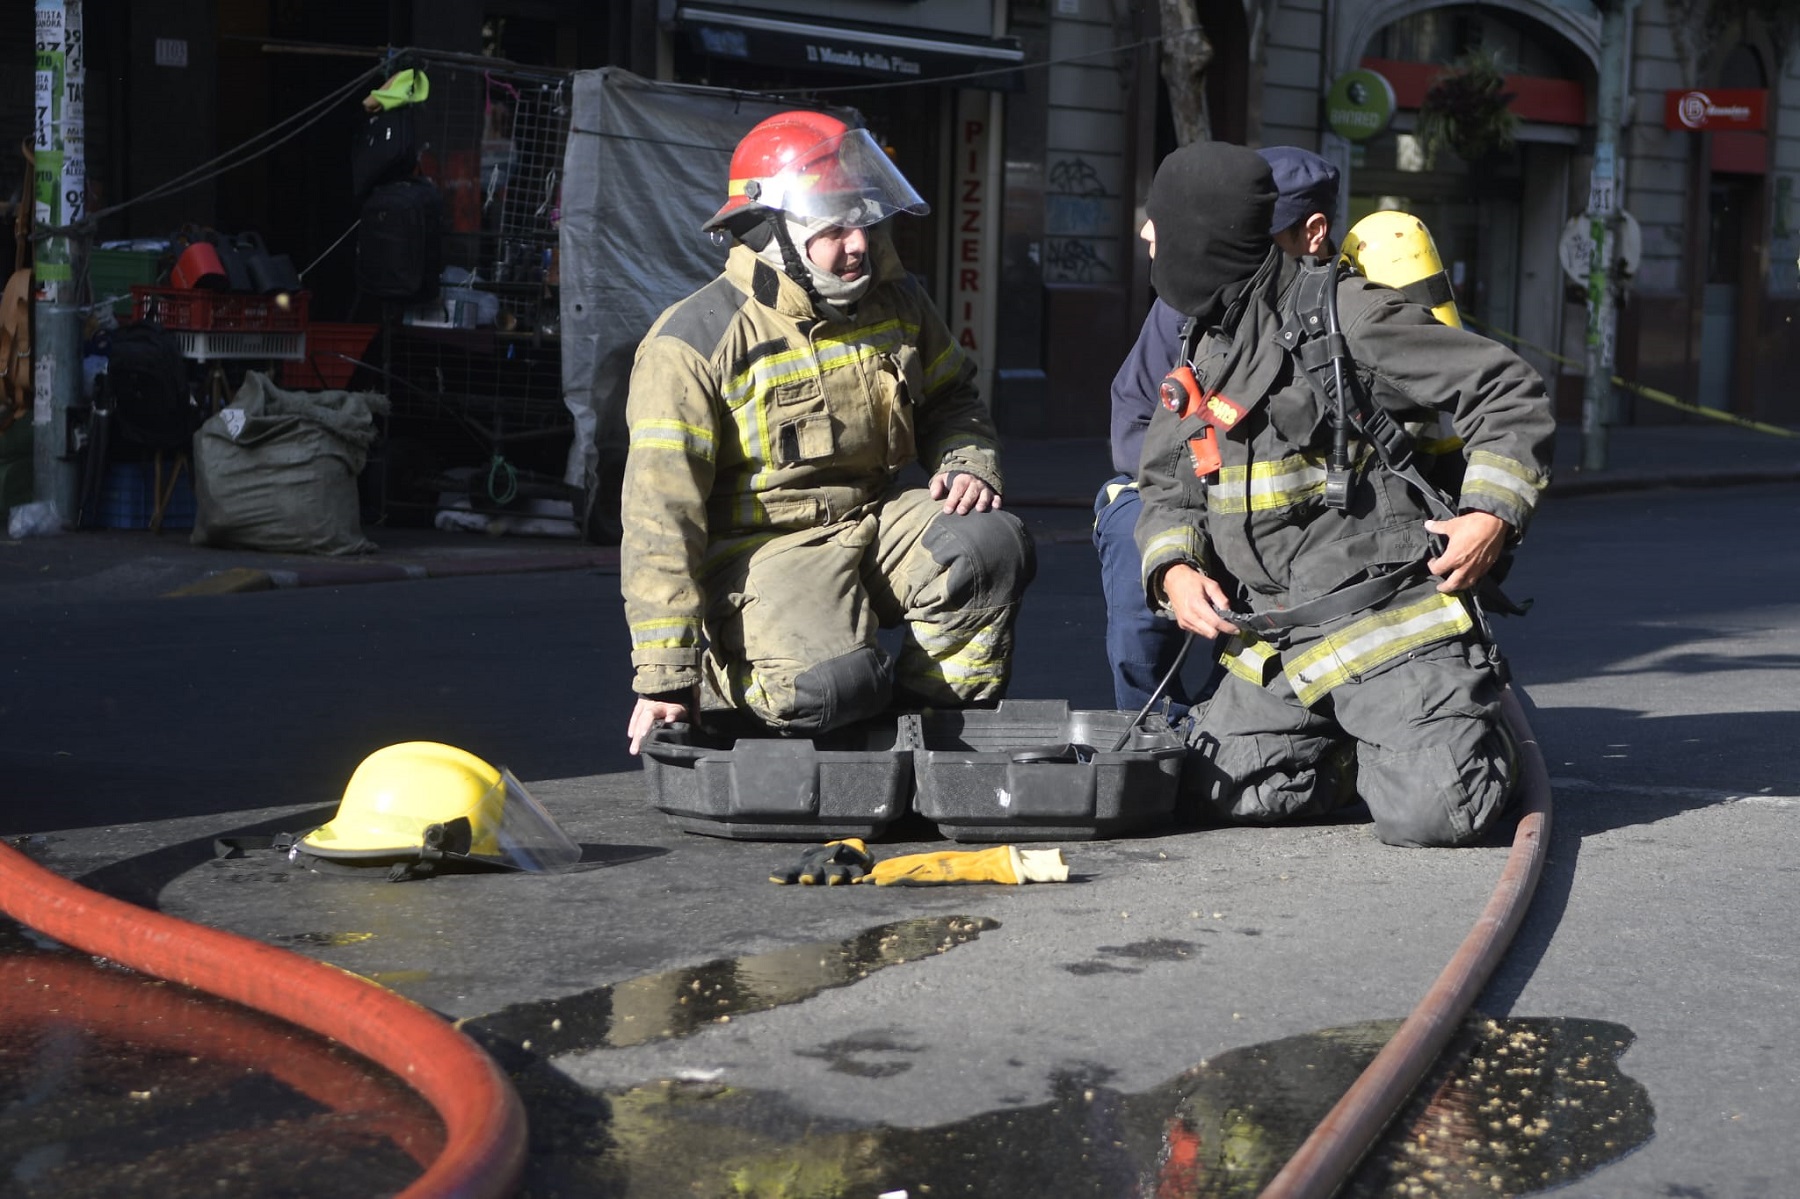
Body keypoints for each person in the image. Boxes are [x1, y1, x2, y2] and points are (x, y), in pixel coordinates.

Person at [1133, 140, 1554, 847]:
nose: (1148, 237)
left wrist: (1490, 514)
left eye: (1160, 224)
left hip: (1384, 627)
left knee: (1438, 808)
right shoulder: (1206, 342)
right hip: (1282, 644)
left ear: (1206, 237)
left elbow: (1507, 389)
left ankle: (1466, 738)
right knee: (1209, 785)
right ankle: (1363, 750)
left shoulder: (1346, 316)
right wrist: (1174, 570)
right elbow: (1166, 486)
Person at [622, 111, 1034, 754]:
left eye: (863, 222)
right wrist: (665, 679)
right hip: (762, 552)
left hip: (874, 523)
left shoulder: (897, 302)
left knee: (988, 546)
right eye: (835, 228)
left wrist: (967, 460)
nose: (860, 244)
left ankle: (934, 735)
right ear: (769, 233)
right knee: (832, 686)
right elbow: (660, 520)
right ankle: (730, 675)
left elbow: (953, 398)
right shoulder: (692, 345)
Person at [1095, 147, 1340, 720]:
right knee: (1140, 587)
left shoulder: (1347, 310)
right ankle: (1152, 729)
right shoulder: (1191, 295)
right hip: (1181, 496)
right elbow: (1133, 423)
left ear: (1313, 233)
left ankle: (1235, 723)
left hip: (1297, 516)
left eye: (1262, 234)